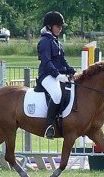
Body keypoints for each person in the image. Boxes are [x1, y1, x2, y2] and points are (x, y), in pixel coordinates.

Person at [37, 11, 76, 139]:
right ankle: (49, 126)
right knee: (57, 94)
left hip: (57, 74)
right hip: (47, 75)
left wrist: (72, 71)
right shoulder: (44, 41)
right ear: (49, 26)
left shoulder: (56, 42)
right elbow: (46, 61)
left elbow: (62, 61)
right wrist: (57, 75)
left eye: (61, 27)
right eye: (58, 26)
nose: (60, 29)